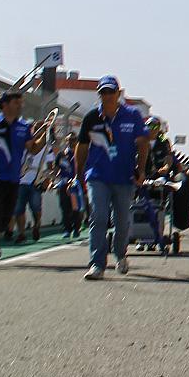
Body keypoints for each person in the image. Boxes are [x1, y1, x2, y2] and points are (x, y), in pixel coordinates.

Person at [74, 76, 149, 279]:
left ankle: (120, 254)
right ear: (99, 94)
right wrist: (78, 174)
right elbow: (81, 147)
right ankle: (97, 264)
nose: (107, 96)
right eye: (103, 92)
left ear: (118, 93)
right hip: (98, 176)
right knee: (98, 217)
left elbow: (143, 143)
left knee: (122, 221)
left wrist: (141, 170)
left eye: (110, 92)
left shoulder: (132, 115)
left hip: (124, 177)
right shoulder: (91, 118)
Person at [0, 91, 50, 267]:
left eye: (20, 103)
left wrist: (46, 135)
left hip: (14, 179)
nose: (20, 106)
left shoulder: (23, 127)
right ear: (5, 105)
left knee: (5, 217)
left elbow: (33, 148)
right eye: (16, 103)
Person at [53, 135, 84, 238]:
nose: (71, 142)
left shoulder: (78, 154)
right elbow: (56, 169)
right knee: (64, 208)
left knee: (75, 208)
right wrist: (55, 181)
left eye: (73, 140)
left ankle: (76, 228)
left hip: (75, 185)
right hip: (63, 184)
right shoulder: (61, 155)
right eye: (69, 140)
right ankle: (67, 229)